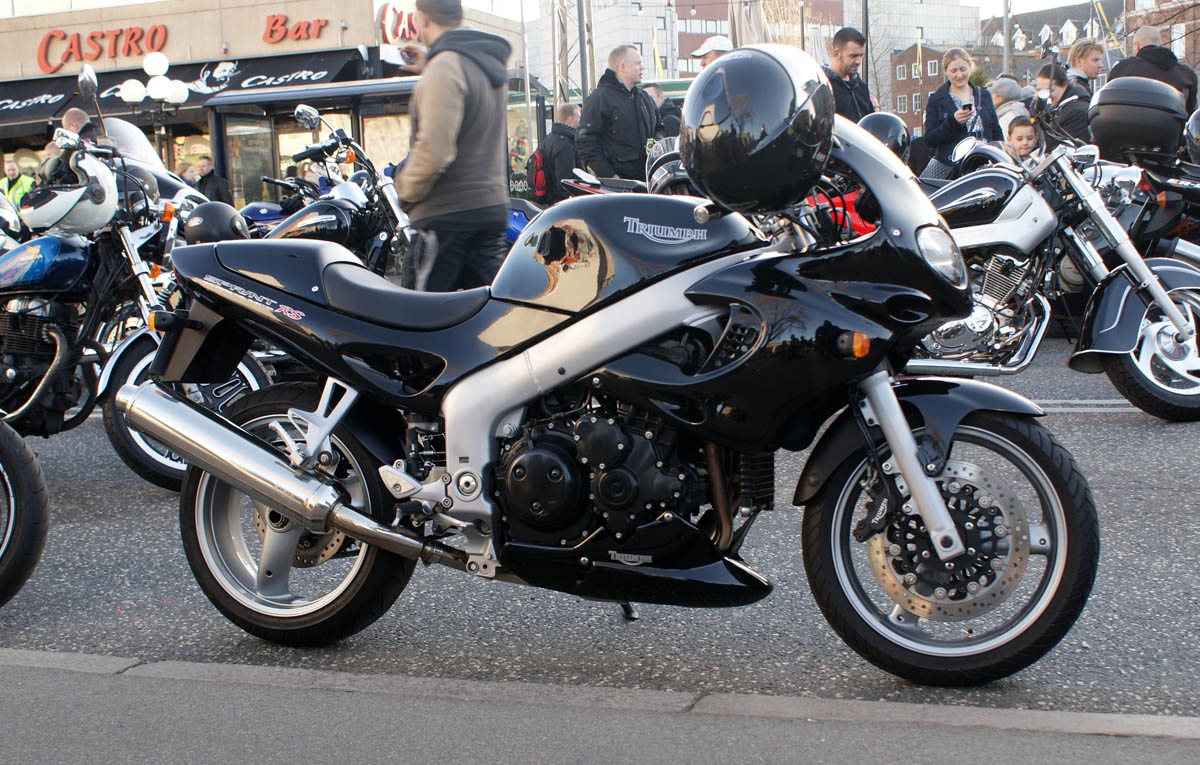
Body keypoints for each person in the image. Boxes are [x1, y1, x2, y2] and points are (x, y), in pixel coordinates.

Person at [393, 0, 512, 292]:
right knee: (491, 311)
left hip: (446, 216)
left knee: (422, 315)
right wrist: (432, 63)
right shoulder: (481, 63)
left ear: (421, 19)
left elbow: (435, 151)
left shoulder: (445, 69)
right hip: (488, 208)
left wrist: (404, 191)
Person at [576, 44, 664, 181]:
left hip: (647, 180)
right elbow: (585, 141)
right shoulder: (600, 98)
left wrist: (656, 144)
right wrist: (610, 175)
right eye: (637, 63)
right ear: (623, 67)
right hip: (618, 185)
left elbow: (659, 127)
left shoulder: (644, 97)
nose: (642, 67)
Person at [922, 48, 1003, 178]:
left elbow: (996, 131)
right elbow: (930, 140)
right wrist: (953, 122)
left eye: (963, 69)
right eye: (954, 71)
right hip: (954, 170)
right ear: (946, 71)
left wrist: (999, 154)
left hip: (984, 164)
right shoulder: (936, 100)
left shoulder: (984, 95)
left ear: (969, 67)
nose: (959, 75)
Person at [1109, 25, 1198, 114]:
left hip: (1130, 121)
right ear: (1158, 44)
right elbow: (1190, 113)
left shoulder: (1122, 69)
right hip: (1172, 122)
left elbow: (1110, 104)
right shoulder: (1187, 75)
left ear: (1137, 46)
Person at [823, 27, 873, 122]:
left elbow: (870, 124)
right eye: (853, 56)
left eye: (861, 56)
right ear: (836, 54)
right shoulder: (823, 89)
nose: (858, 61)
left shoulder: (862, 88)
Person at [1035, 63, 1090, 147]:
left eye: (1050, 91)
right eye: (1040, 90)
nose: (1045, 96)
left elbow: (1057, 147)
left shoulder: (1076, 112)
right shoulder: (1053, 109)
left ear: (1064, 85)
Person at [540, 103, 583, 205]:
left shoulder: (549, 138)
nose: (580, 122)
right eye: (578, 118)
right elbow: (566, 181)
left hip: (549, 200)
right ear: (570, 120)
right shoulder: (565, 145)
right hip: (563, 203)